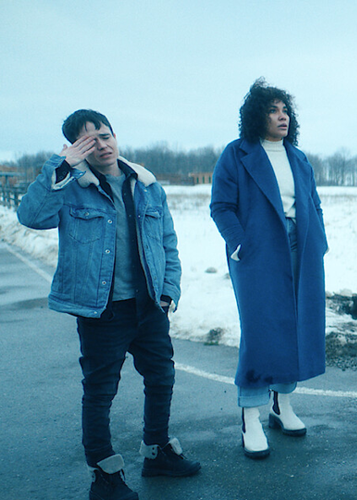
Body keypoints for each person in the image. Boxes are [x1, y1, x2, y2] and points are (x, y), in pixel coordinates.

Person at [17, 109, 200, 500]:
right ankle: (104, 475)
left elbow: (167, 242)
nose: (102, 145)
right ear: (75, 148)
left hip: (149, 305)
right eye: (89, 141)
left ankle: (157, 452)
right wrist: (61, 166)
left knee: (162, 377)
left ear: (115, 135)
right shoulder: (71, 186)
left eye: (105, 135)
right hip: (102, 310)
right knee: (100, 391)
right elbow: (30, 216)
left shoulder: (147, 185)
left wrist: (169, 291)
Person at [210, 79, 329, 459]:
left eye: (286, 110)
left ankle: (282, 404)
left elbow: (313, 203)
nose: (283, 116)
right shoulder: (237, 154)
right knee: (261, 331)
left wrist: (319, 242)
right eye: (273, 110)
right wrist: (240, 244)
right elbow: (220, 206)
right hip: (258, 253)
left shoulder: (298, 157)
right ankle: (250, 416)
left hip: (301, 249)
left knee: (296, 327)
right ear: (256, 116)